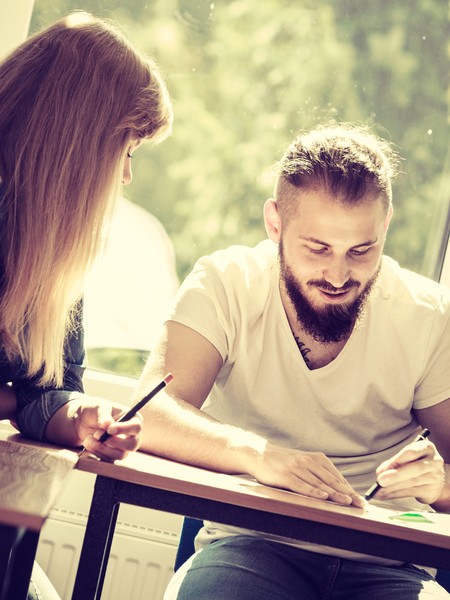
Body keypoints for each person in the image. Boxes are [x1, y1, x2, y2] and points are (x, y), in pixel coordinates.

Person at [135, 123, 450, 599]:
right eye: (317, 248)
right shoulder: (226, 283)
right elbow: (151, 414)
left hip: (392, 567)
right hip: (248, 547)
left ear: (385, 226)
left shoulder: (429, 315)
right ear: (275, 224)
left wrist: (439, 485)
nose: (339, 275)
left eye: (362, 250)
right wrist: (259, 456)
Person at [0, 11, 172, 599]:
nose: (126, 175)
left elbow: (50, 387)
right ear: (78, 142)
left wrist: (80, 417)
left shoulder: (54, 254)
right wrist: (17, 398)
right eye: (126, 150)